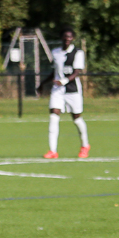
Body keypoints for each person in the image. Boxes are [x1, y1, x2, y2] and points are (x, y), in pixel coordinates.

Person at [44, 28, 89, 159]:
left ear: (73, 38)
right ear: (61, 37)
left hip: (72, 89)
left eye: (69, 37)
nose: (67, 39)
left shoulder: (77, 53)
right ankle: (52, 150)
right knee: (53, 116)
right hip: (57, 90)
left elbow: (76, 72)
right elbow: (55, 72)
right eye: (65, 36)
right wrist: (42, 84)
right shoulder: (55, 52)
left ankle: (85, 145)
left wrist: (63, 81)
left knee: (77, 118)